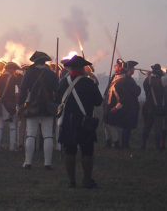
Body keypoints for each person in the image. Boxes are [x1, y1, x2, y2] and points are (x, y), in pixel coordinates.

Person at [57, 56, 102, 188]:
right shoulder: (89, 83)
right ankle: (87, 180)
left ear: (70, 68)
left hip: (68, 122)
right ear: (82, 68)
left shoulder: (63, 83)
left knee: (69, 151)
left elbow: (58, 99)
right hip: (85, 121)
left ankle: (72, 181)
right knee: (87, 151)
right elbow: (98, 101)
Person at [18, 51, 59, 170]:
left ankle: (28, 162)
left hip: (32, 106)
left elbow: (23, 90)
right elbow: (57, 91)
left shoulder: (29, 74)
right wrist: (55, 104)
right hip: (47, 107)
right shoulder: (52, 74)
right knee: (48, 136)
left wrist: (20, 104)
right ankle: (48, 163)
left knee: (30, 134)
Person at [0, 62, 21, 151]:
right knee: (12, 126)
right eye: (14, 69)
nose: (14, 71)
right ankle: (12, 147)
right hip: (10, 103)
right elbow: (16, 92)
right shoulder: (14, 78)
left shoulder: (0, 77)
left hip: (0, 102)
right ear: (11, 69)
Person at [103, 58, 126, 148]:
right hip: (107, 104)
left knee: (111, 125)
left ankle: (116, 142)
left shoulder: (123, 79)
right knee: (105, 124)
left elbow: (123, 96)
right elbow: (108, 88)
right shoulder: (114, 76)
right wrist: (104, 97)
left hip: (114, 104)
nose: (115, 67)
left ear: (120, 68)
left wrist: (117, 106)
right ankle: (108, 141)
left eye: (116, 66)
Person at [141, 64, 164, 150]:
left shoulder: (148, 80)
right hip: (157, 107)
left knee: (146, 127)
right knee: (158, 128)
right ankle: (157, 147)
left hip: (148, 107)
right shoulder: (161, 80)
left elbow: (146, 90)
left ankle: (143, 145)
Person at [121, 60, 141, 149]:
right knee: (127, 127)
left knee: (127, 126)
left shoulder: (126, 79)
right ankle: (125, 145)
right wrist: (139, 88)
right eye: (132, 68)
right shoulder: (128, 80)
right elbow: (136, 91)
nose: (133, 70)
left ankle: (125, 144)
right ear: (129, 69)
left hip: (127, 105)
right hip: (129, 106)